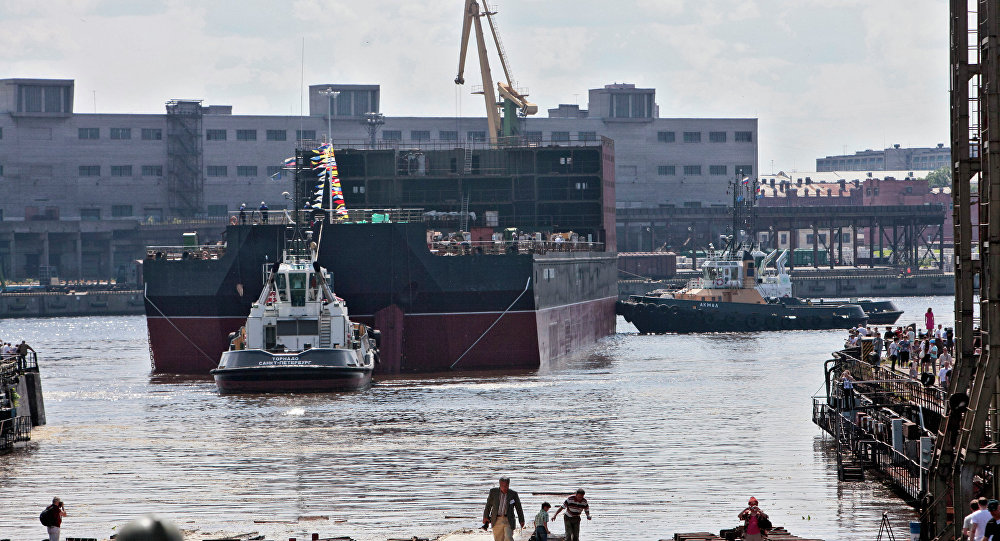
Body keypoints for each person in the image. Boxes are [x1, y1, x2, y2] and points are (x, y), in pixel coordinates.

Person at [482, 477, 525, 541]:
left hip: (508, 520)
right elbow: (488, 505)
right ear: (500, 485)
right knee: (498, 539)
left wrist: (521, 520)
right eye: (503, 486)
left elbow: (518, 508)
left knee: (508, 537)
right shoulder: (493, 492)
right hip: (497, 520)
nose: (505, 488)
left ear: (509, 485)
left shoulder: (513, 494)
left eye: (506, 486)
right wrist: (485, 517)